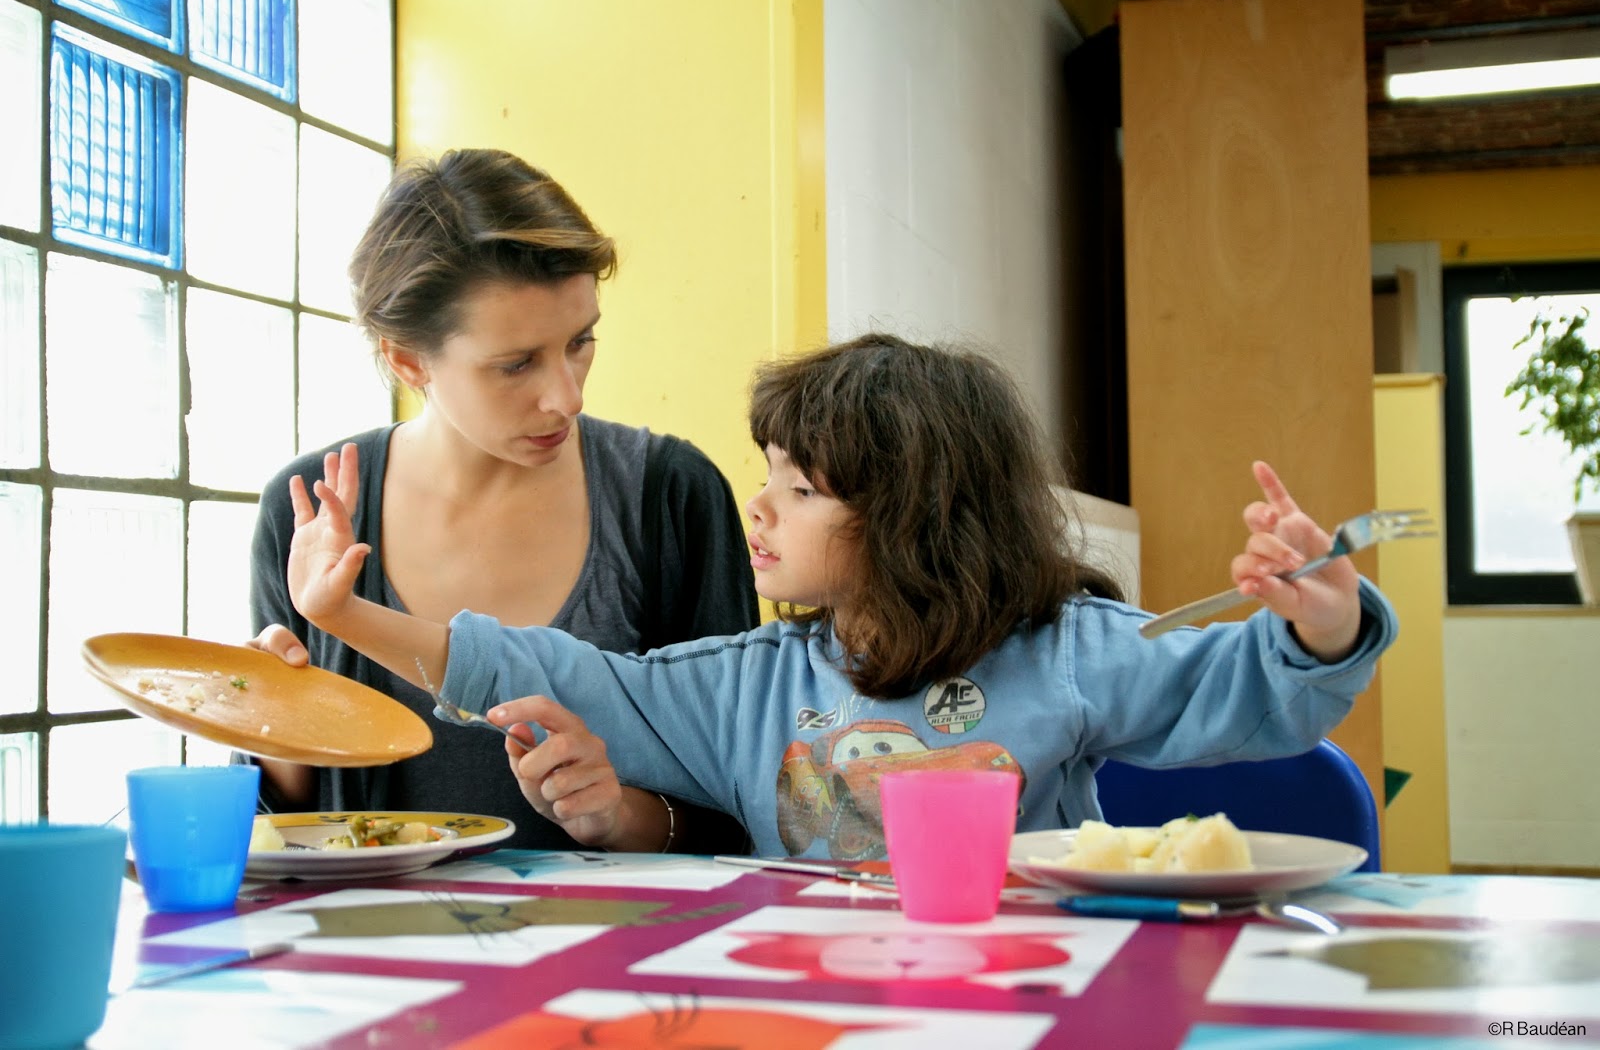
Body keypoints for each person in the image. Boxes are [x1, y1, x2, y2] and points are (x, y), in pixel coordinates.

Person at [280, 333, 1399, 861]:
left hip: (1033, 1003)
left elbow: (1251, 690)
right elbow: (561, 672)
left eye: (800, 488)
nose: (757, 510)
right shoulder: (748, 684)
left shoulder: (1063, 652)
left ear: (914, 512)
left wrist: (1322, 616)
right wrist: (350, 617)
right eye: (767, 476)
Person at [248, 148, 759, 854]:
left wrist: (617, 815)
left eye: (581, 342)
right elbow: (294, 824)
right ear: (406, 360)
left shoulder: (670, 497)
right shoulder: (306, 509)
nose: (567, 397)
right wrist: (269, 717)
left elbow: (744, 799)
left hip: (619, 953)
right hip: (374, 956)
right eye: (516, 364)